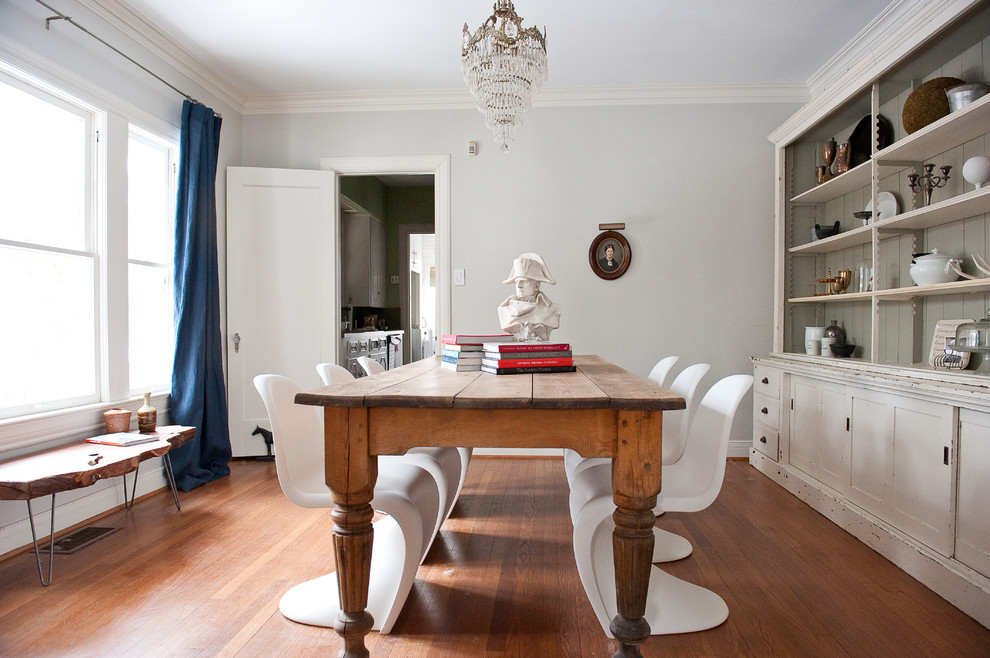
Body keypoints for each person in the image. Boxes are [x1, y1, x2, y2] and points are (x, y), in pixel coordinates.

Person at [497, 253, 562, 341]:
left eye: (524, 281)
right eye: (517, 282)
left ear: (536, 286)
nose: (519, 286)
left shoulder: (553, 309)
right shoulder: (505, 309)